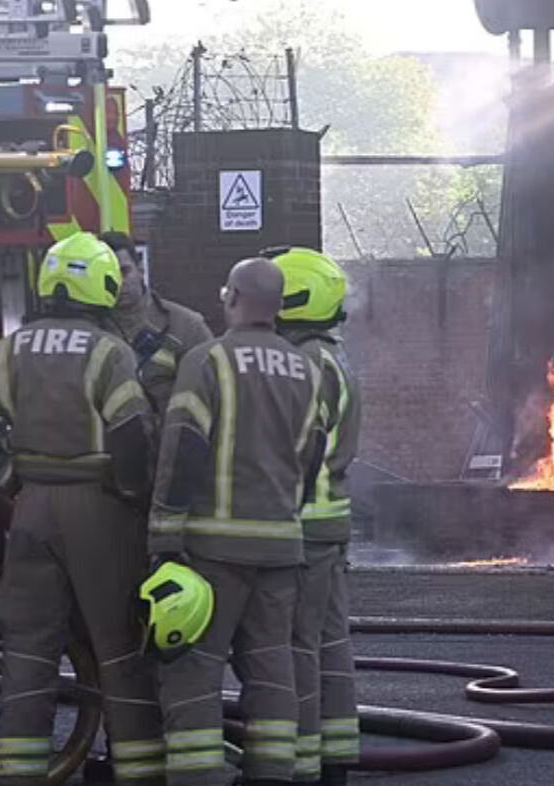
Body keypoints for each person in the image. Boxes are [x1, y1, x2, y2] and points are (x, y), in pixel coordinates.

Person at [0, 232, 163, 784]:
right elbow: (132, 435)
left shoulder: (10, 350)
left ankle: (21, 774)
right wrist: (132, 494)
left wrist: (10, 485)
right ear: (103, 287)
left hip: (32, 510)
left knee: (27, 650)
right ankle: (138, 771)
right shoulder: (109, 352)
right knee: (120, 647)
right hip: (101, 508)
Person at [144, 257, 323, 786]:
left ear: (232, 298)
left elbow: (183, 449)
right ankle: (272, 774)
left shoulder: (207, 360)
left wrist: (164, 534)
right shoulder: (306, 370)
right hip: (281, 549)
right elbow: (312, 456)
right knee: (272, 670)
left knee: (194, 670)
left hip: (211, 550)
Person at [234, 248, 360, 785]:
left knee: (293, 650)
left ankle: (300, 766)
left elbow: (290, 447)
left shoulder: (305, 361)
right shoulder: (334, 356)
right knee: (329, 647)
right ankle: (333, 760)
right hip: (330, 525)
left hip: (302, 526)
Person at [101, 232, 214, 415]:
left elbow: (212, 392)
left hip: (169, 438)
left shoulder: (186, 327)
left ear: (141, 270)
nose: (118, 282)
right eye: (108, 275)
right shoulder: (91, 332)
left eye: (124, 271)